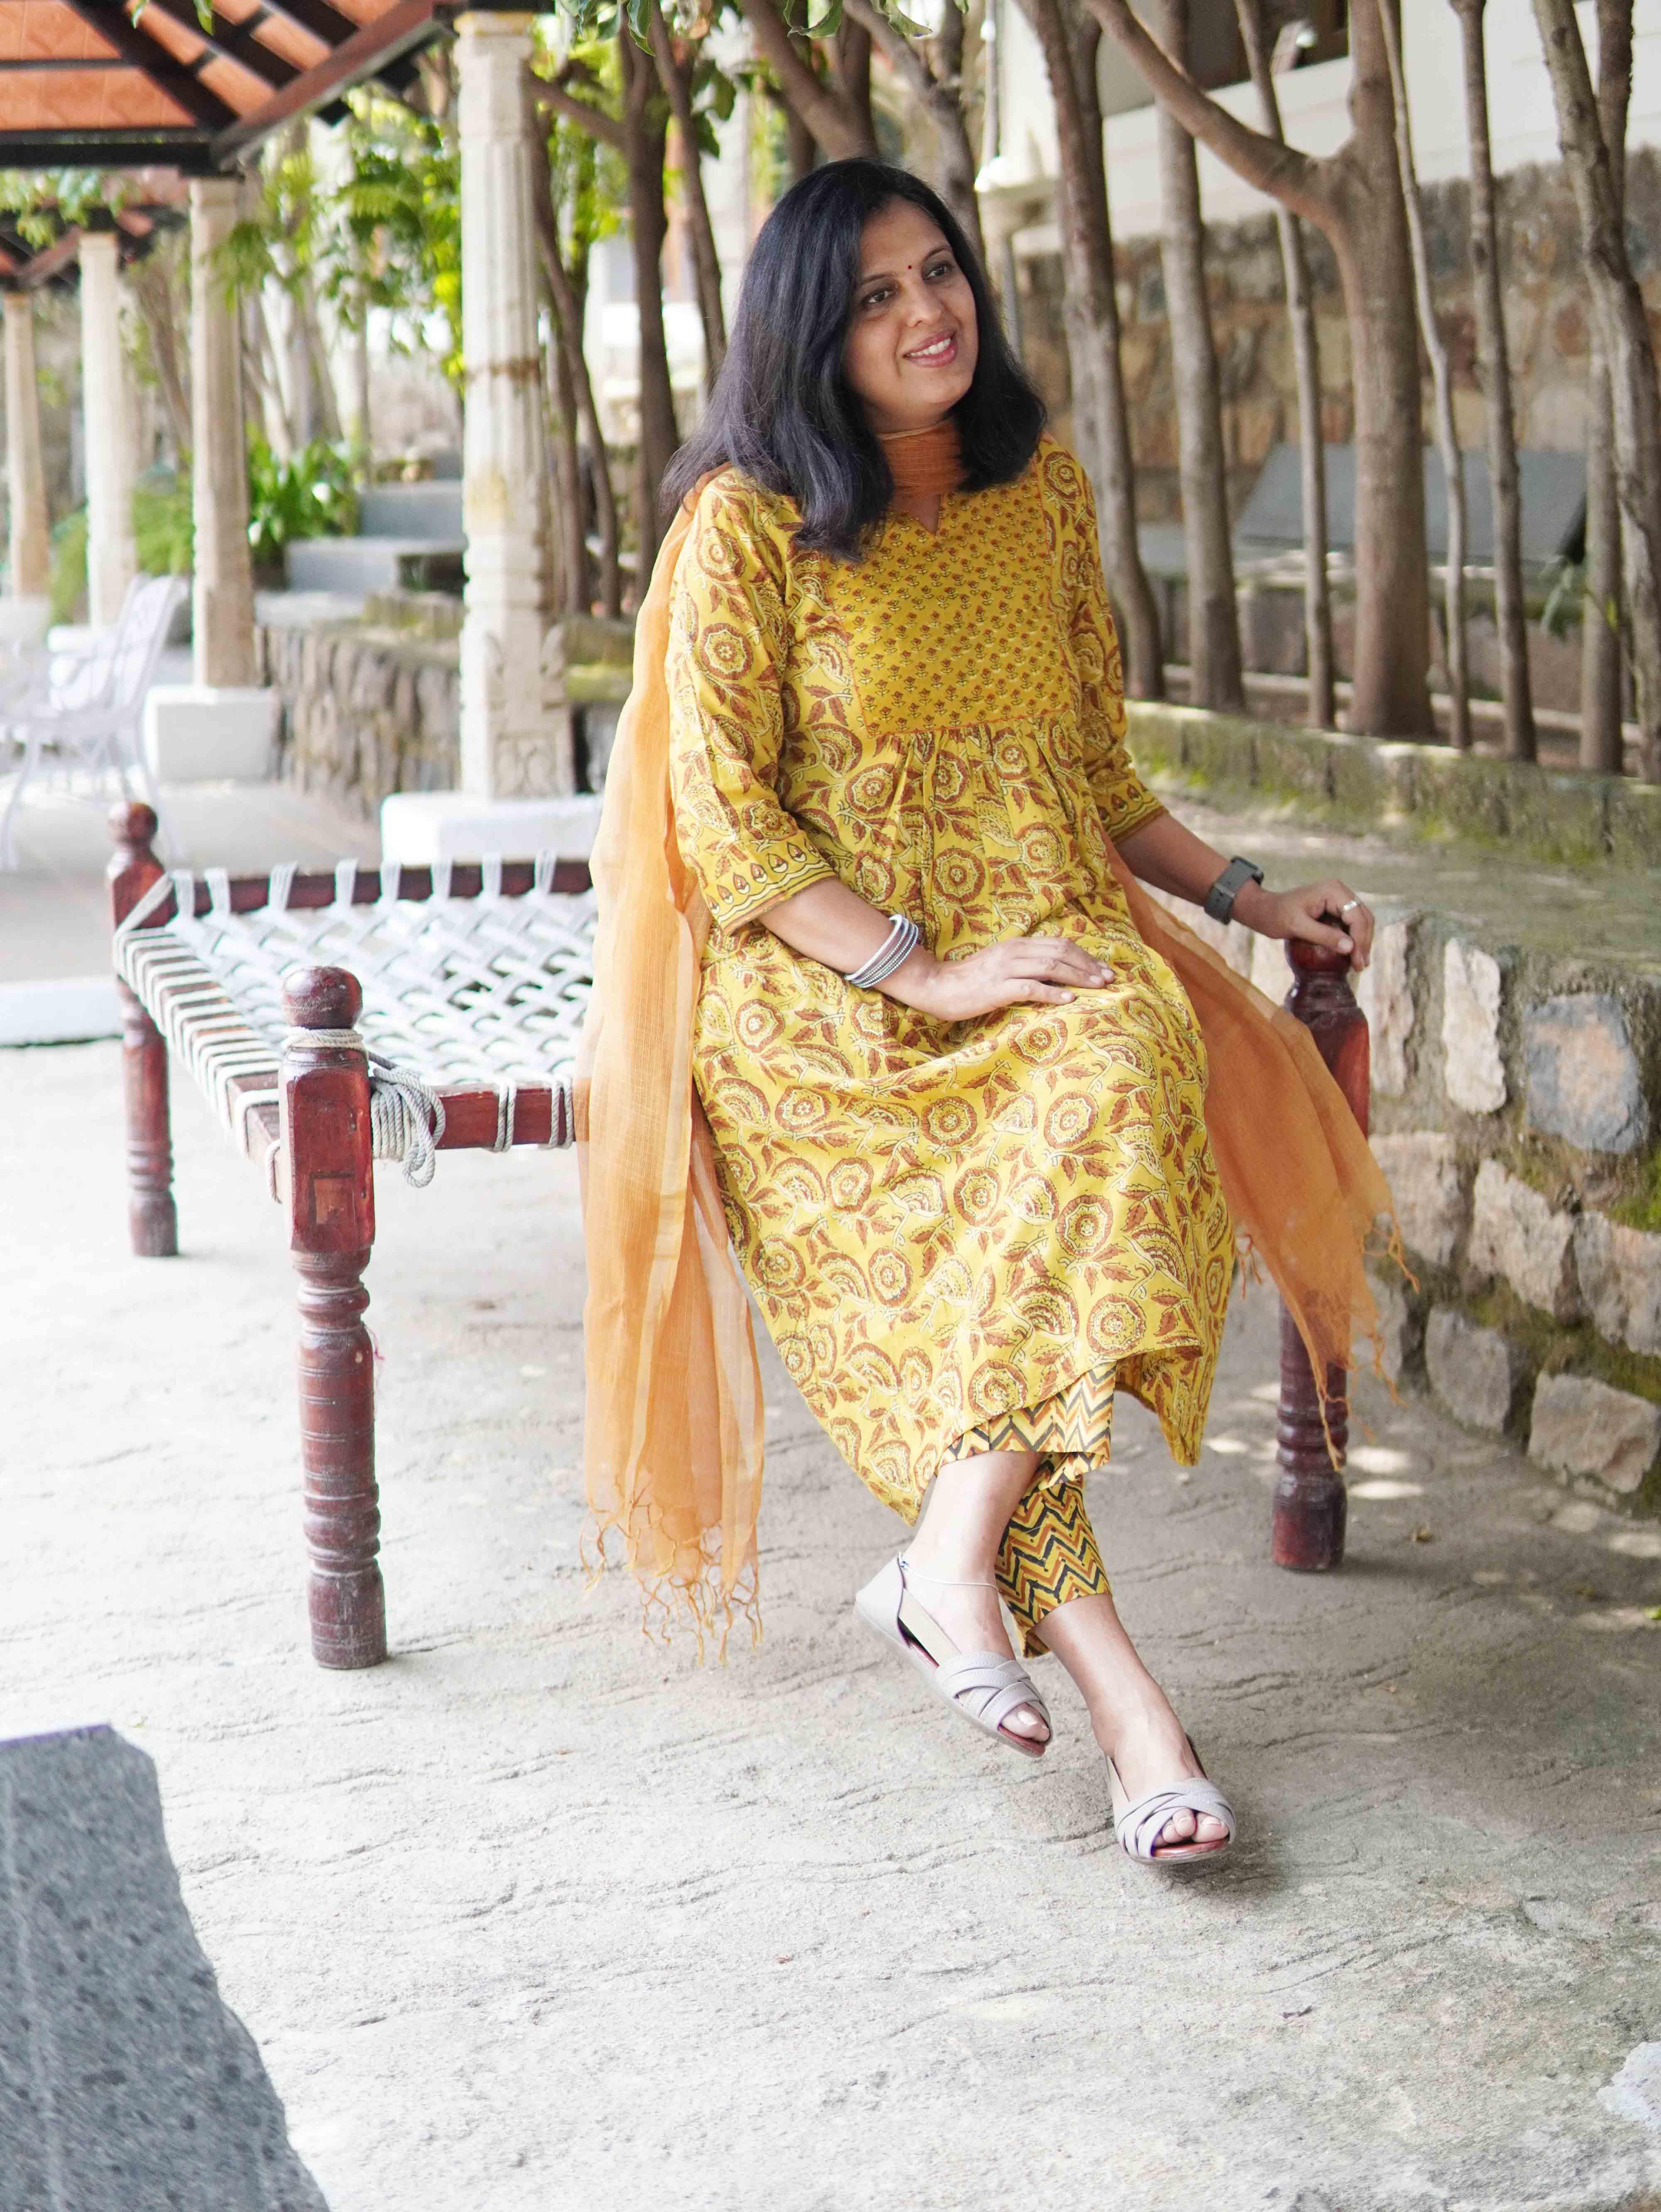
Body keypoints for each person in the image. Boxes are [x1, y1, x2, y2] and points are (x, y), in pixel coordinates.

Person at [579, 160, 1389, 1867]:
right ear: (812, 331)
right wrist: (921, 970)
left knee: (1121, 1062)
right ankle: (1131, 1717)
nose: (926, 312)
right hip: (825, 1000)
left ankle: (952, 1574)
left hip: (1041, 948)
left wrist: (1246, 895)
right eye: (875, 295)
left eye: (937, 272)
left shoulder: (1041, 491)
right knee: (1006, 1264)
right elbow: (727, 827)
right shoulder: (745, 526)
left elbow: (1094, 771)